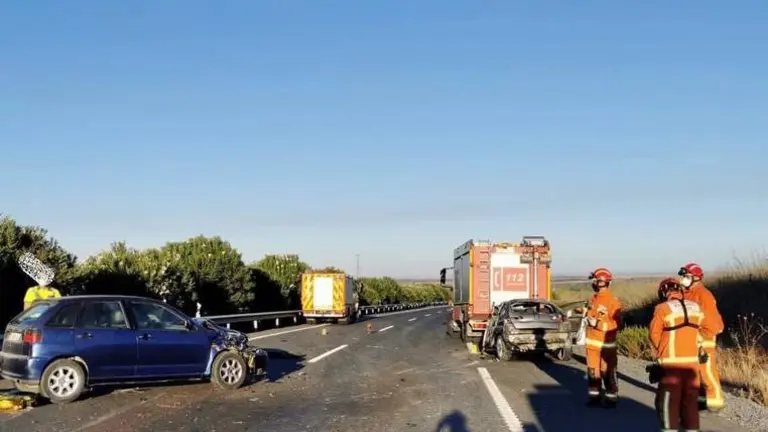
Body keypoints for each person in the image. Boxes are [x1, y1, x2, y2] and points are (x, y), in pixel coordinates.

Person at [649, 277, 705, 431]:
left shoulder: (662, 308)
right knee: (690, 405)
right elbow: (701, 333)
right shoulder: (696, 307)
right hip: (693, 367)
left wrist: (662, 352)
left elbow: (654, 334)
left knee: (668, 405)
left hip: (671, 366)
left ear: (663, 292)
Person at [678, 262, 725, 411]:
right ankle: (698, 399)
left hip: (705, 339)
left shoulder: (704, 295)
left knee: (707, 371)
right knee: (694, 372)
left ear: (696, 278)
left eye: (687, 276)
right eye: (684, 276)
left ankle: (715, 402)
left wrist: (702, 336)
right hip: (692, 339)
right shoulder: (686, 294)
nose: (684, 279)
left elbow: (712, 322)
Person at [584, 267, 622, 407]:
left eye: (595, 281)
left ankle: (611, 398)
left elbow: (616, 324)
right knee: (593, 373)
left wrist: (598, 324)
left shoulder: (613, 301)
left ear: (602, 282)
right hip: (592, 344)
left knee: (607, 372)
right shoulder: (592, 299)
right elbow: (589, 314)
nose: (593, 283)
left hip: (606, 345)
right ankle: (594, 397)